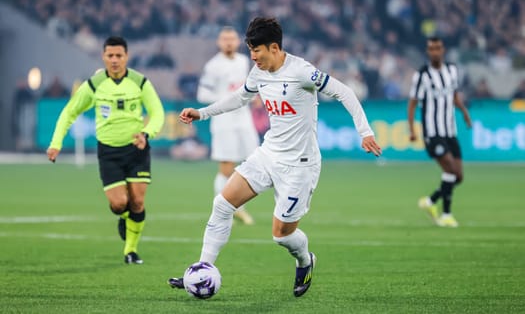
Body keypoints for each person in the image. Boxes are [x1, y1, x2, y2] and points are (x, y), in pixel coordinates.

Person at [168, 17, 381, 297]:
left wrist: (365, 132)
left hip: (300, 166)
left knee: (281, 235)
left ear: (275, 47)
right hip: (268, 154)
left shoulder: (302, 72)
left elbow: (344, 92)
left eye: (257, 51)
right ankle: (202, 270)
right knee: (222, 204)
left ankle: (305, 261)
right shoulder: (259, 72)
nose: (253, 57)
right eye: (250, 51)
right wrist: (202, 112)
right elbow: (240, 98)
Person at [46, 36, 165, 264]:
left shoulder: (140, 82)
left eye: (119, 56)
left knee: (138, 202)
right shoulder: (94, 84)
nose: (114, 60)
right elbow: (69, 112)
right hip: (109, 152)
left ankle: (130, 251)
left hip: (136, 149)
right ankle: (124, 217)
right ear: (103, 57)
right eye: (110, 55)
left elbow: (157, 112)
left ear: (126, 57)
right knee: (120, 203)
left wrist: (147, 134)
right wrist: (56, 143)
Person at [197, 26, 260, 225]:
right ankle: (223, 212)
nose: (229, 42)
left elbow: (245, 88)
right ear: (219, 42)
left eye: (232, 38)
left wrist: (253, 96)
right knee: (226, 166)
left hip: (243, 119)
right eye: (225, 39)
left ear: (237, 41)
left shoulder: (243, 61)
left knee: (252, 162)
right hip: (224, 121)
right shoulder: (213, 65)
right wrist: (227, 99)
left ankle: (237, 206)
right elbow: (202, 94)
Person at [408, 37, 472, 228]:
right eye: (431, 49)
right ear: (428, 52)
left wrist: (465, 113)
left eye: (438, 48)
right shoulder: (422, 75)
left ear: (443, 50)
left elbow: (454, 96)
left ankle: (430, 201)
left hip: (450, 131)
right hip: (432, 133)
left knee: (458, 177)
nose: (435, 52)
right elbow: (412, 103)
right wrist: (412, 129)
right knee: (450, 169)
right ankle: (446, 214)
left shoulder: (452, 70)